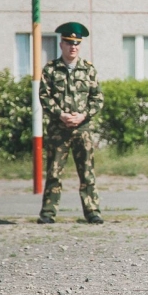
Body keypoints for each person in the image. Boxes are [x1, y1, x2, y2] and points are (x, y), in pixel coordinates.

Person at [37, 22, 104, 224]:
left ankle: (92, 211)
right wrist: (60, 114)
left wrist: (83, 115)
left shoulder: (88, 70)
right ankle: (48, 212)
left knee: (87, 173)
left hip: (82, 129)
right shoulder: (50, 70)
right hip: (59, 129)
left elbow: (97, 98)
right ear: (61, 44)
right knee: (54, 173)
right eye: (68, 42)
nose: (72, 47)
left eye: (76, 43)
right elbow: (44, 96)